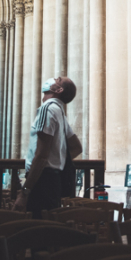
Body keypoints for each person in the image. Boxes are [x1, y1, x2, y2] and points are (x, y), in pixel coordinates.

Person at [14, 75, 82, 217]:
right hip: (54, 180)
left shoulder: (48, 108)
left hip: (41, 180)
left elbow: (41, 156)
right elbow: (77, 147)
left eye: (58, 79)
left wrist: (25, 192)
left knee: (37, 224)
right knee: (48, 224)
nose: (54, 79)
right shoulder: (59, 112)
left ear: (58, 89)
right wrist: (57, 158)